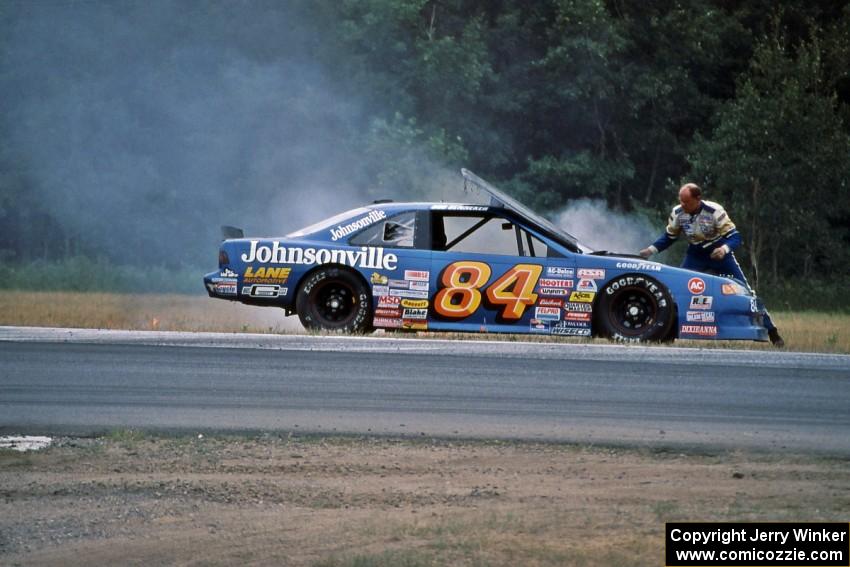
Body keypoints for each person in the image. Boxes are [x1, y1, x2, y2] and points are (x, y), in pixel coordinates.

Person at [639, 183, 784, 347]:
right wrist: (651, 250)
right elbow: (669, 237)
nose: (683, 205)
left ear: (697, 199)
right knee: (676, 291)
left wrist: (724, 249)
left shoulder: (714, 211)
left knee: (746, 291)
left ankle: (772, 332)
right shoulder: (678, 213)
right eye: (681, 201)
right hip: (695, 255)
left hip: (720, 253)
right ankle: (668, 333)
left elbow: (735, 237)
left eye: (686, 201)